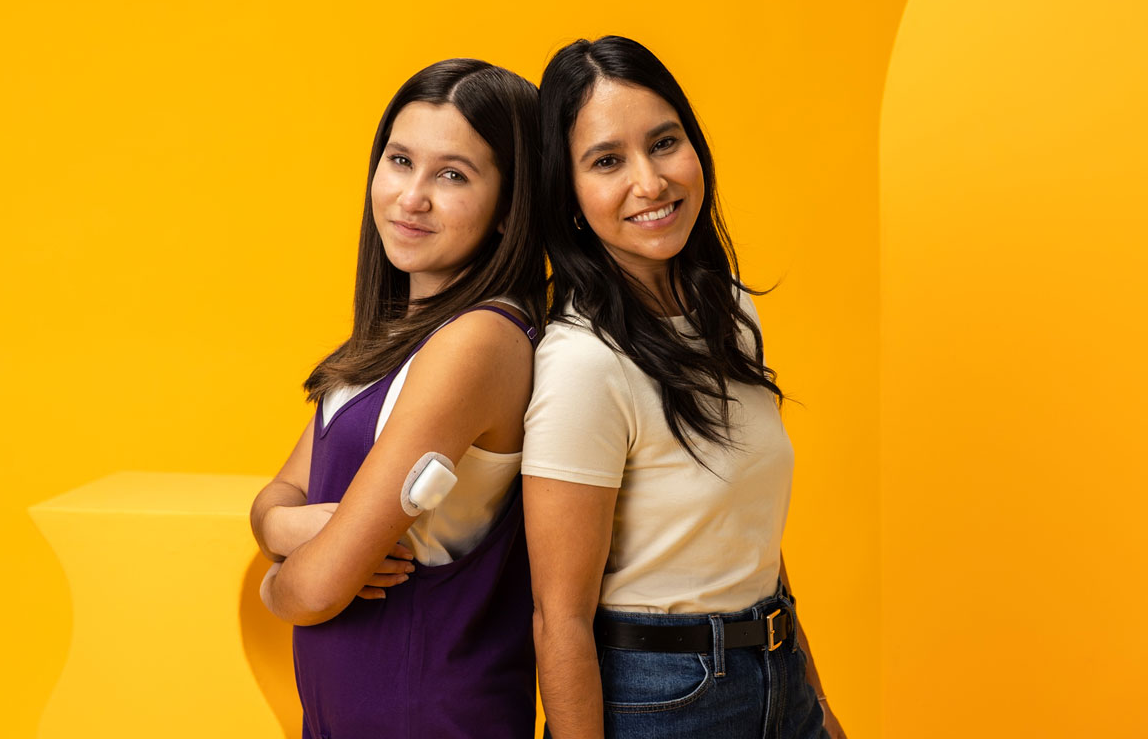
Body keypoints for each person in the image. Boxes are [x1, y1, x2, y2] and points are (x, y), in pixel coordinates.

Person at [522, 36, 846, 739]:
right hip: (661, 701)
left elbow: (748, 542)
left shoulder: (730, 312)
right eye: (607, 161)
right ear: (568, 196)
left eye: (664, 143)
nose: (651, 182)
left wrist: (816, 703)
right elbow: (559, 618)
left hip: (777, 671)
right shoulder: (584, 364)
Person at [248, 58, 545, 739]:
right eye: (400, 161)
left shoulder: (478, 342)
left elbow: (317, 590)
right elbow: (277, 496)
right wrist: (283, 530)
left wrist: (274, 586)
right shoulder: (389, 339)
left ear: (510, 208)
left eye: (453, 175)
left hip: (430, 719)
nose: (412, 197)